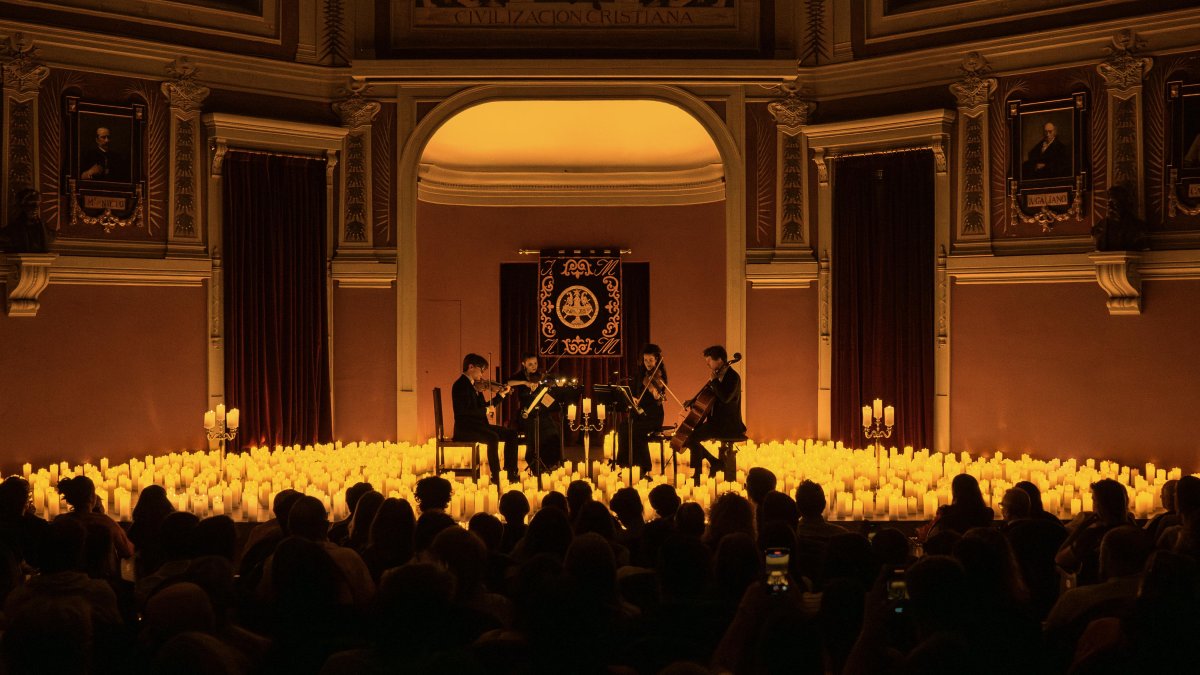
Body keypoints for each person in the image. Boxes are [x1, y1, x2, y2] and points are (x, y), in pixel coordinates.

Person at [679, 345, 745, 483]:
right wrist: (693, 401)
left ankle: (700, 473)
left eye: (709, 361)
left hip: (728, 423)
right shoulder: (717, 376)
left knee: (692, 437)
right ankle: (712, 463)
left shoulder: (733, 378)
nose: (707, 364)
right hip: (716, 422)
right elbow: (708, 397)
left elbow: (725, 398)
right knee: (691, 435)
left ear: (719, 360)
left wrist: (714, 381)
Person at [453, 353, 519, 482]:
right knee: (492, 437)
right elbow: (462, 412)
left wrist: (501, 395)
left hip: (479, 426)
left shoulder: (474, 386)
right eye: (481, 370)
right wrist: (485, 410)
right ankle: (496, 474)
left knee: (512, 434)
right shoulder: (460, 385)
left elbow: (485, 406)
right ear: (471, 367)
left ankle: (510, 471)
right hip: (466, 429)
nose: (482, 374)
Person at [506, 352, 562, 471]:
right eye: (530, 364)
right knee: (533, 434)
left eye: (535, 363)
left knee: (552, 431)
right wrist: (525, 383)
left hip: (541, 412)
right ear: (524, 364)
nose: (534, 366)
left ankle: (550, 462)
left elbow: (548, 392)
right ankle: (533, 461)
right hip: (527, 413)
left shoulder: (540, 375)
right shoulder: (520, 376)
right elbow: (508, 383)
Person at [618, 343, 668, 475]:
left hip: (653, 416)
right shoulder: (639, 374)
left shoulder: (660, 376)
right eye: (646, 360)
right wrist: (633, 398)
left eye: (651, 360)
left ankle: (643, 466)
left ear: (657, 360)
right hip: (639, 414)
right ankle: (625, 463)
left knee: (635, 430)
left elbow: (659, 394)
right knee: (623, 427)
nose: (648, 363)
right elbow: (633, 392)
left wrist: (657, 394)